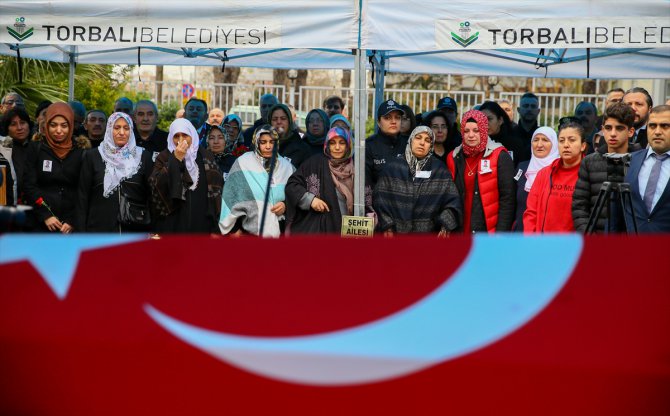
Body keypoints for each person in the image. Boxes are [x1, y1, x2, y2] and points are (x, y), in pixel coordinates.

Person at [374, 126, 461, 235]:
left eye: (427, 140)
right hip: (395, 236)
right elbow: (379, 199)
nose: (422, 143)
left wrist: (445, 225)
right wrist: (387, 225)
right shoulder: (393, 167)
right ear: (410, 140)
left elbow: (452, 203)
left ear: (431, 145)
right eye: (418, 138)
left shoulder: (439, 170)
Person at [76, 112, 153, 233]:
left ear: (131, 131)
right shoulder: (93, 156)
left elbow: (151, 197)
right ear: (109, 129)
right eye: (117, 128)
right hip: (99, 232)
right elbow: (82, 197)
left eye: (126, 128)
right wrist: (81, 234)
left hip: (134, 231)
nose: (121, 132)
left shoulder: (143, 156)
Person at [572, 103, 641, 233]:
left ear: (631, 132)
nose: (613, 134)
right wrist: (588, 235)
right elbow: (579, 206)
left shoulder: (642, 161)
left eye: (619, 128)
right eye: (608, 128)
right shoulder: (589, 161)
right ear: (603, 129)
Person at [23, 102, 90, 233]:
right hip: (40, 224)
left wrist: (72, 220)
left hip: (70, 228)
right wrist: (46, 215)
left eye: (64, 126)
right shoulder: (36, 148)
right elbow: (29, 185)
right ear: (46, 124)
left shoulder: (82, 152)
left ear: (71, 125)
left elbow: (84, 191)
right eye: (53, 125)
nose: (58, 130)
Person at [447, 110, 516, 233]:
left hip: (488, 232)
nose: (471, 135)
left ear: (484, 130)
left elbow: (508, 199)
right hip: (459, 230)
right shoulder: (454, 157)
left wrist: (500, 234)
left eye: (476, 130)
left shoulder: (500, 155)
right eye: (466, 131)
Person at [149, 118, 223, 233]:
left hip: (203, 226)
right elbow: (156, 188)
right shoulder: (163, 157)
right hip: (173, 225)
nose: (180, 140)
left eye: (185, 135)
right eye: (176, 136)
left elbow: (217, 191)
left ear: (192, 135)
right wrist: (175, 160)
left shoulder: (206, 157)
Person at [219, 126, 294, 237]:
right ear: (256, 142)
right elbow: (230, 198)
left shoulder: (287, 167)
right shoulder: (243, 163)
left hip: (280, 234)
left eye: (272, 142)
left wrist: (285, 205)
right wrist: (234, 230)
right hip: (248, 235)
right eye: (263, 142)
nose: (268, 146)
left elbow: (297, 195)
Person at [286, 127, 363, 234]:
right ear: (327, 144)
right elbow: (292, 185)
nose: (337, 147)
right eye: (332, 143)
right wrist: (310, 200)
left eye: (342, 143)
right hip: (320, 231)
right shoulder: (315, 162)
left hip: (349, 232)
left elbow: (366, 202)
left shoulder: (357, 168)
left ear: (348, 145)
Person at [523, 123, 585, 233]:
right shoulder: (545, 173)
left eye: (572, 140)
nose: (566, 145)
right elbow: (531, 212)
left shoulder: (588, 174)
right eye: (561, 141)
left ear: (583, 146)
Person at [623, 105, 670, 233]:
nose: (658, 131)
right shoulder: (630, 160)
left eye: (665, 126)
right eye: (652, 126)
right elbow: (616, 211)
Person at [512, 127, 559, 231]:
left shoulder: (560, 169)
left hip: (549, 235)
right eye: (536, 140)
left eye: (545, 140)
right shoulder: (522, 167)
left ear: (554, 144)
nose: (539, 145)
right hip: (521, 232)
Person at [366, 100, 408, 188]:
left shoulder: (409, 143)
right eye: (387, 118)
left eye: (397, 117)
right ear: (378, 122)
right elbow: (366, 184)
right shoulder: (369, 146)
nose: (393, 121)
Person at [0, 108, 34, 205]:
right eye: (13, 124)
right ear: (7, 128)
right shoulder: (3, 150)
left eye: (23, 122)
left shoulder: (39, 148)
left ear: (28, 124)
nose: (19, 128)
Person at [268, 103, 311, 169]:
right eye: (275, 119)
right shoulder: (261, 144)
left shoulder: (302, 149)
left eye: (283, 118)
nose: (279, 122)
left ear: (289, 122)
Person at [512, 92, 541, 161]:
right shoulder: (510, 134)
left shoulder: (542, 136)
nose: (529, 109)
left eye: (533, 106)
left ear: (538, 111)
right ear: (518, 110)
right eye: (526, 106)